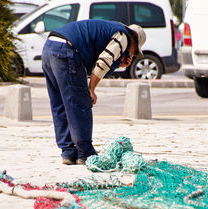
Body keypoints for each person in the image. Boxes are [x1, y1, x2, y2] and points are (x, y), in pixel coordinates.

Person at [42, 19, 146, 165]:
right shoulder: (124, 37)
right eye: (134, 51)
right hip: (67, 50)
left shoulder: (110, 29)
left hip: (49, 48)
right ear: (134, 38)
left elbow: (95, 63)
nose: (132, 54)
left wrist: (118, 63)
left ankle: (68, 152)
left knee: (60, 104)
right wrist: (91, 90)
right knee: (80, 103)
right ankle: (85, 153)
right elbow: (103, 63)